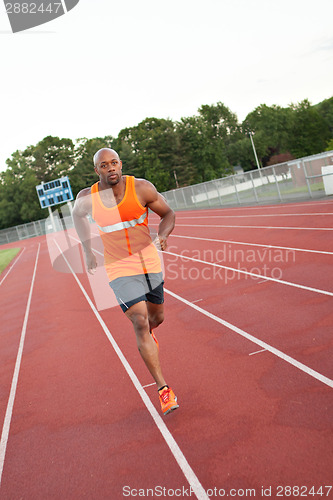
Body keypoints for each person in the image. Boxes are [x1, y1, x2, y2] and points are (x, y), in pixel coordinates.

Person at [72, 148, 178, 416]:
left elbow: (168, 214)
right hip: (119, 267)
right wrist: (86, 250)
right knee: (140, 321)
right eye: (104, 165)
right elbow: (76, 215)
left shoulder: (141, 188)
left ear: (121, 164)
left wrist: (163, 235)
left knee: (157, 317)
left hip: (149, 263)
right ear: (97, 171)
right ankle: (164, 390)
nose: (111, 168)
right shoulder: (88, 199)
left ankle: (151, 334)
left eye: (114, 162)